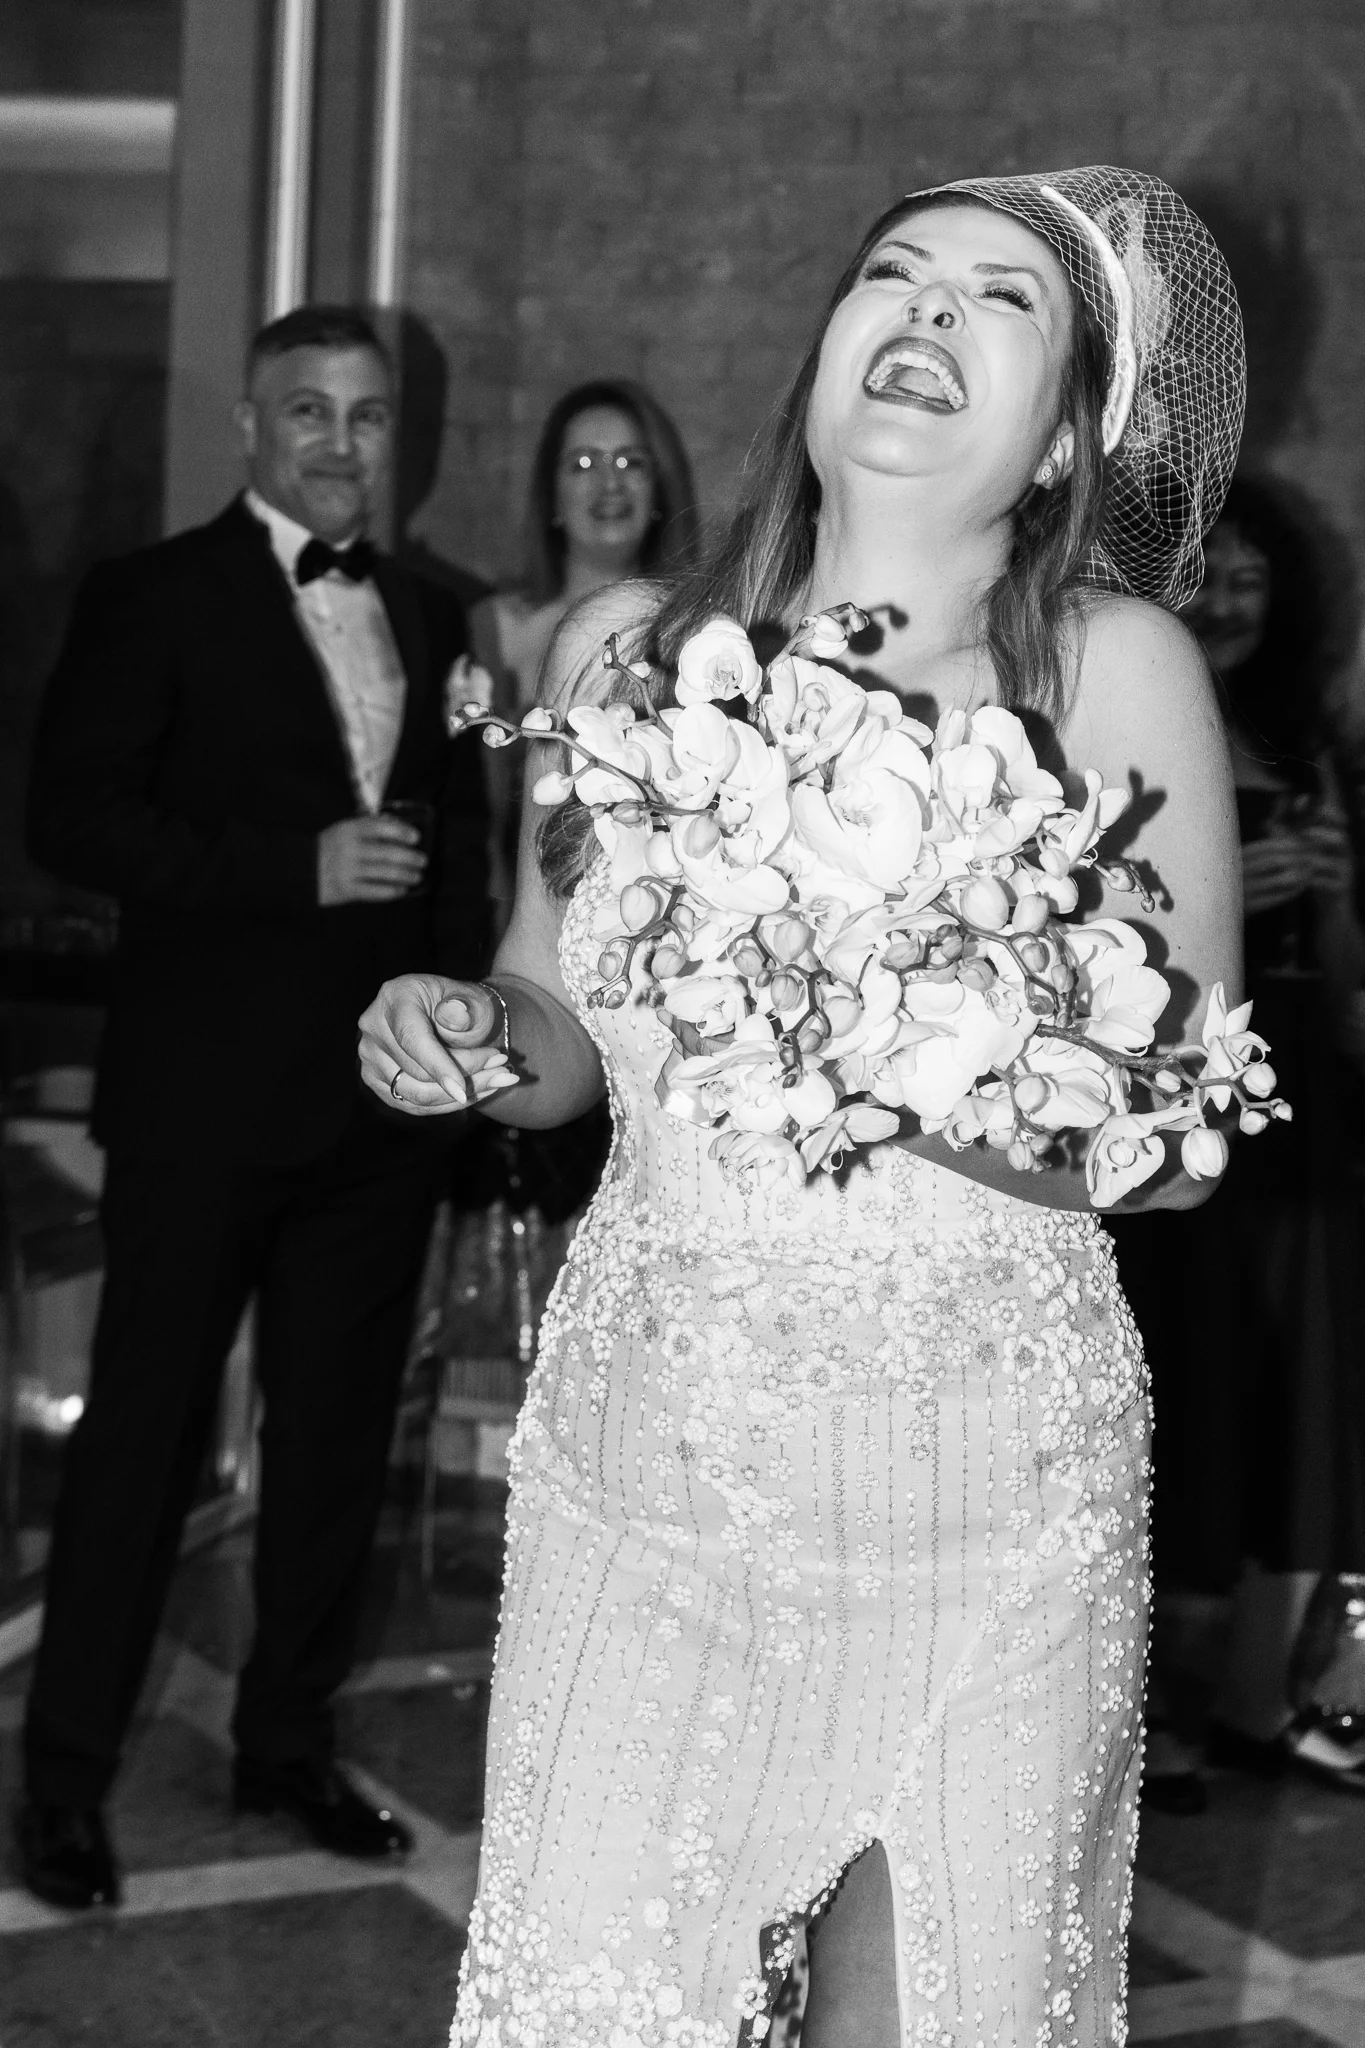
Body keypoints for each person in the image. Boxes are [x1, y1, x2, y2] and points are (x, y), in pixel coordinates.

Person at [360, 169, 1245, 2045]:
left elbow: (1175, 1144)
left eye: (1000, 299)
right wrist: (472, 1031)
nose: (926, 310)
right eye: (892, 274)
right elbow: (564, 1023)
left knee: (936, 2016)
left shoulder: (1116, 672)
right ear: (829, 342)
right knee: (603, 2007)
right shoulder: (620, 652)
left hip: (985, 1486)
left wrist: (890, 1077)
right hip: (657, 1455)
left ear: (1069, 425)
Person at [16, 305, 490, 1910]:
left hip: (379, 1119)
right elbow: (71, 816)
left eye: (366, 416)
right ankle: (63, 1781)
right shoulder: (152, 596)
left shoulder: (435, 612)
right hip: (202, 1105)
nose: (342, 444)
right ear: (249, 427)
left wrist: (466, 1060)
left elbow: (455, 865)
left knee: (336, 1453)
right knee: (138, 1450)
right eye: (310, 412)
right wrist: (285, 870)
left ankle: (287, 1746)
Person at [1113, 474, 1365, 1811]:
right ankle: (1145, 1699)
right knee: (1185, 1388)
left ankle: (1271, 1689)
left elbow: (1343, 960)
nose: (1241, 594)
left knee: (1300, 1397)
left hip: (1304, 1098)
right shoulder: (1147, 723)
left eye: (1264, 574)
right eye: (1220, 570)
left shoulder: (1311, 747)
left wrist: (1318, 894)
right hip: (1190, 1087)